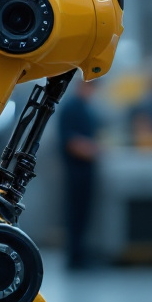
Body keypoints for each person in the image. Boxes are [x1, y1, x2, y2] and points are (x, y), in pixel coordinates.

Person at [57, 78, 100, 270]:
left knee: (84, 214)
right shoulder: (72, 108)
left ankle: (81, 254)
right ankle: (74, 257)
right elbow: (70, 141)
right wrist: (93, 150)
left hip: (86, 171)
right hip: (75, 171)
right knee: (75, 214)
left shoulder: (85, 108)